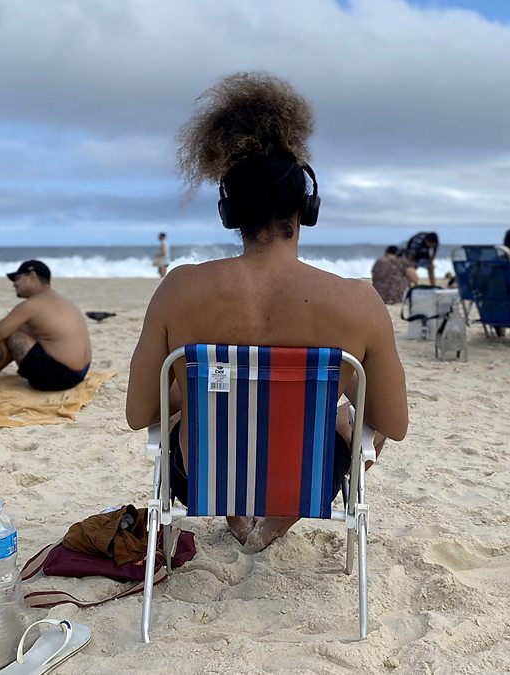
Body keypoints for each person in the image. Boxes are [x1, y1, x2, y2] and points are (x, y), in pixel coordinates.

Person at [126, 72, 409, 552]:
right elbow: (393, 424)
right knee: (361, 420)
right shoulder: (358, 302)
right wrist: (331, 399)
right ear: (306, 209)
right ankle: (280, 514)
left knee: (189, 407)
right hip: (310, 480)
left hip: (202, 480)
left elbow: (139, 414)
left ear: (229, 213)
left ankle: (236, 507)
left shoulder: (179, 289)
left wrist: (200, 390)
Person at [0, 260, 91, 391]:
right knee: (20, 327)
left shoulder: (32, 305)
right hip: (79, 374)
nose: (14, 284)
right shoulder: (62, 301)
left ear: (32, 276)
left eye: (17, 278)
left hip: (58, 378)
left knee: (11, 332)